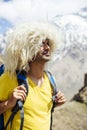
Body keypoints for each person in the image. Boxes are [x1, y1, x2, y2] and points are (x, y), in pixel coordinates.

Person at [0, 22, 66, 130]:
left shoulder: (50, 80)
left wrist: (55, 104)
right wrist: (8, 104)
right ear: (28, 49)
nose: (47, 48)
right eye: (41, 44)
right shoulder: (11, 77)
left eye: (48, 44)